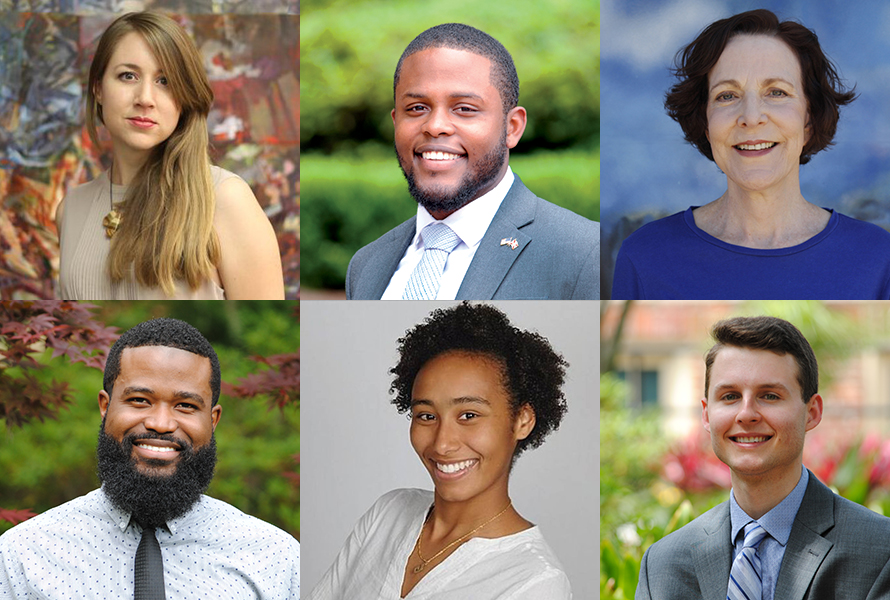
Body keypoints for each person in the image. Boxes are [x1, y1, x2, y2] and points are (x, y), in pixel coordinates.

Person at [0, 318, 299, 599]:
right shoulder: (22, 554)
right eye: (140, 400)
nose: (161, 423)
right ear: (105, 406)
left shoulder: (276, 558)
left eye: (185, 405)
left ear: (213, 419)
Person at [612, 9, 890, 299]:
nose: (751, 117)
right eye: (727, 96)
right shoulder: (645, 256)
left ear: (808, 120)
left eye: (776, 92)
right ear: (706, 124)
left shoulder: (880, 259)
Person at [307, 303, 572, 599]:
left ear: (522, 420)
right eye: (427, 416)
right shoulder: (388, 514)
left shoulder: (535, 582)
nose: (442, 444)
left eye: (469, 416)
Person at [637, 316, 890, 599]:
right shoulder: (662, 565)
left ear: (812, 412)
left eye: (769, 396)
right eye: (729, 396)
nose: (746, 413)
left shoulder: (884, 552)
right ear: (706, 414)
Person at [345, 23, 600, 300]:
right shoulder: (366, 265)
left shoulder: (586, 253)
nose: (435, 126)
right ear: (396, 122)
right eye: (417, 108)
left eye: (464, 109)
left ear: (512, 127)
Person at [57, 11, 284, 300]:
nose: (145, 98)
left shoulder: (225, 199)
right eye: (128, 76)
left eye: (165, 81)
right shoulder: (70, 209)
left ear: (185, 97)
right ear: (99, 88)